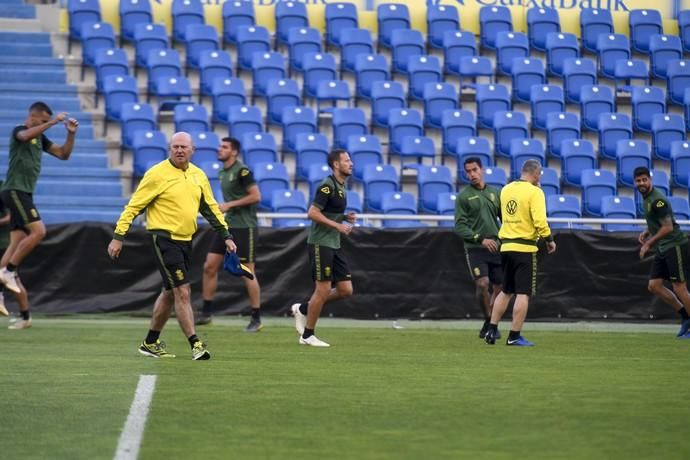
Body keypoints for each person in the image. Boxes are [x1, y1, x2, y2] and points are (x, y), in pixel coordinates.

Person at [107, 132, 237, 360]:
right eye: (175, 146)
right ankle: (196, 344)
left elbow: (210, 208)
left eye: (184, 147)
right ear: (169, 149)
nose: (179, 150)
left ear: (192, 150)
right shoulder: (157, 174)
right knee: (182, 291)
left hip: (186, 240)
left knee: (169, 293)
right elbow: (133, 207)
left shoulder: (198, 175)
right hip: (164, 238)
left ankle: (150, 342)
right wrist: (119, 236)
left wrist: (226, 235)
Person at [0, 102, 78, 328]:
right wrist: (53, 122)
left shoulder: (40, 139)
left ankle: (8, 290)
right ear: (32, 117)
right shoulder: (19, 131)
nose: (45, 125)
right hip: (15, 190)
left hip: (24, 194)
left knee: (15, 244)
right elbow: (24, 136)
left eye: (47, 122)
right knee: (39, 231)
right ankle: (9, 272)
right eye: (43, 121)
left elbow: (63, 154)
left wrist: (70, 135)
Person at [485, 160, 556, 347]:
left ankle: (491, 329)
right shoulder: (535, 192)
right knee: (523, 293)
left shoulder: (506, 189)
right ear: (536, 173)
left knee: (506, 290)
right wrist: (549, 240)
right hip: (525, 248)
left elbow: (502, 214)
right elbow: (540, 221)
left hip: (506, 246)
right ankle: (514, 335)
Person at [196, 137, 262, 332]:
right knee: (209, 266)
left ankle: (256, 317)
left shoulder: (243, 171)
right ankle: (206, 313)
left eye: (224, 147)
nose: (219, 149)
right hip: (227, 226)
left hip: (244, 227)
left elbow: (256, 196)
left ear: (234, 152)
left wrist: (228, 205)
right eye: (219, 146)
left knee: (247, 271)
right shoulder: (223, 172)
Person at [290, 149, 355, 347]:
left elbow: (328, 212)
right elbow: (313, 212)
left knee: (345, 290)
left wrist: (344, 218)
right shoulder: (327, 185)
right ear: (336, 164)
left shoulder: (341, 186)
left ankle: (302, 309)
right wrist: (338, 225)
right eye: (346, 160)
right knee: (323, 289)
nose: (351, 163)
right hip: (321, 243)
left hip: (333, 243)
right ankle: (308, 335)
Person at [635, 167, 690, 338]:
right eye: (638, 180)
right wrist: (647, 231)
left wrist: (648, 244)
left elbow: (668, 227)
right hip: (663, 247)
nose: (642, 183)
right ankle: (685, 317)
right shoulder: (646, 198)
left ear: (650, 180)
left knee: (680, 288)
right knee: (654, 286)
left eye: (644, 179)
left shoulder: (658, 200)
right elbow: (657, 221)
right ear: (635, 182)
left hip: (675, 245)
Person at [455, 157, 503, 339]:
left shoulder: (495, 193)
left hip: (496, 247)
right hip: (476, 247)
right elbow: (460, 226)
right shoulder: (464, 197)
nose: (471, 174)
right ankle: (490, 320)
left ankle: (489, 324)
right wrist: (480, 239)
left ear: (482, 170)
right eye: (468, 171)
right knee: (482, 283)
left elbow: (504, 219)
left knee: (501, 287)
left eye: (474, 170)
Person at [0, 182, 31, 328]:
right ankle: (25, 316)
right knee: (12, 278)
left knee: (10, 277)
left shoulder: (7, 191)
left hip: (4, 244)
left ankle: (25, 317)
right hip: (9, 243)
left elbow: (10, 216)